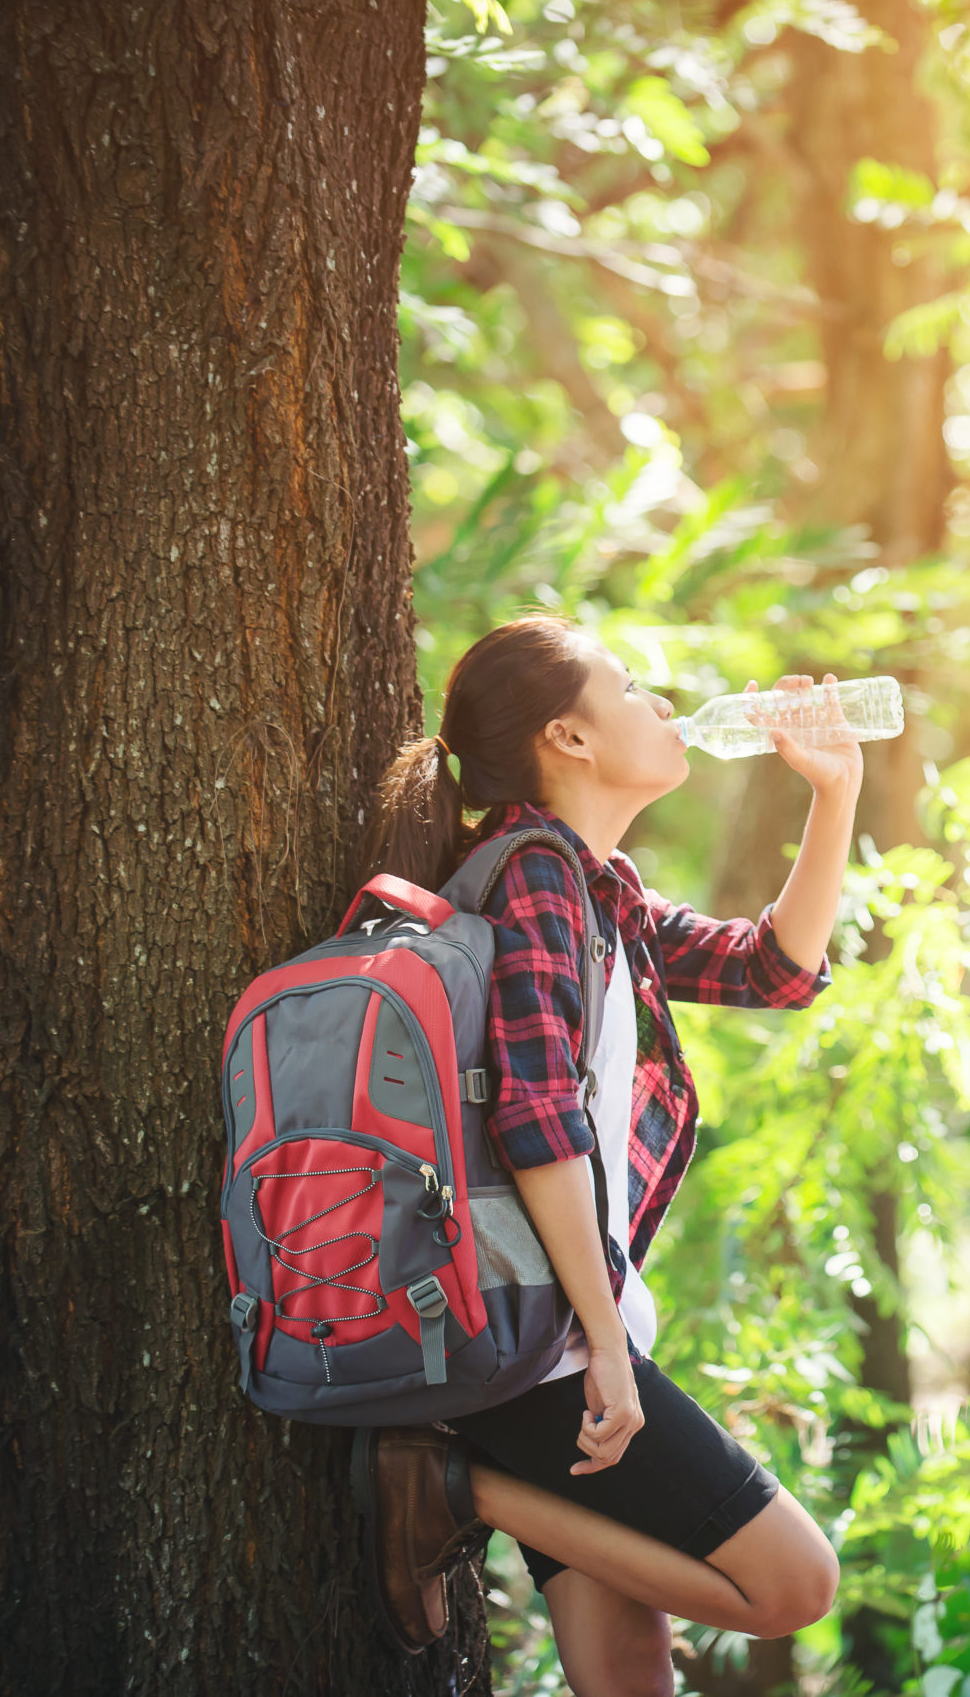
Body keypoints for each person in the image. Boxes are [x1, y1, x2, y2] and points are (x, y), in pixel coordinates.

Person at [348, 612, 853, 1695]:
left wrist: (834, 792)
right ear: (569, 738)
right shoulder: (529, 875)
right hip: (550, 1348)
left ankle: (455, 1478)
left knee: (628, 1679)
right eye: (633, 690)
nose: (664, 707)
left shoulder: (592, 888)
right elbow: (538, 1123)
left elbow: (771, 970)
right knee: (793, 1584)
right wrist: (607, 1348)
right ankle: (450, 1488)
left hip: (550, 1338)